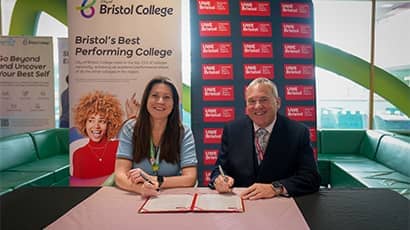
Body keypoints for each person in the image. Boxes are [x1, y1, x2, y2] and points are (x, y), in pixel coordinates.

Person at [209, 77, 320, 200]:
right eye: (251, 101)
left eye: (264, 100)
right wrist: (218, 180)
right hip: (242, 204)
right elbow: (219, 168)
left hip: (282, 207)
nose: (257, 106)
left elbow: (311, 178)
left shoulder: (298, 132)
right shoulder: (232, 130)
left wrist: (276, 188)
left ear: (277, 103)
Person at [115, 76, 198, 197]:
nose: (160, 101)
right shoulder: (130, 128)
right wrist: (140, 189)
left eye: (166, 97)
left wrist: (157, 181)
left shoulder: (183, 132)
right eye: (155, 96)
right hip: (137, 196)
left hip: (172, 197)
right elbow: (120, 175)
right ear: (146, 100)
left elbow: (190, 178)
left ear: (174, 104)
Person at [72, 90, 124, 178]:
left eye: (102, 121)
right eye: (91, 120)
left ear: (109, 124)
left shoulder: (119, 147)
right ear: (84, 123)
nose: (96, 126)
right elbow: (78, 186)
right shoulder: (78, 154)